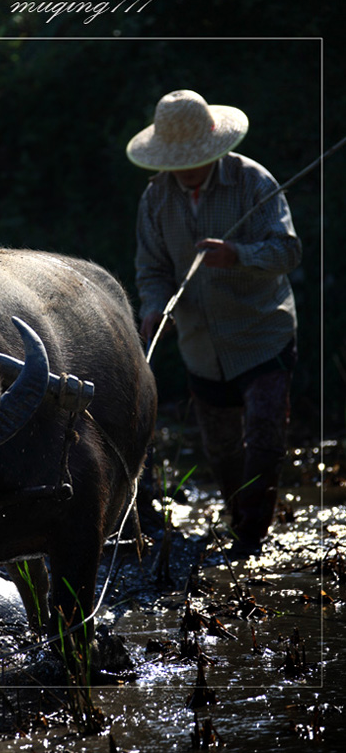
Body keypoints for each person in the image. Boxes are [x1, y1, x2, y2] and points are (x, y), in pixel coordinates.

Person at [127, 89, 302, 553]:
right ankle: (238, 521)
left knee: (264, 439)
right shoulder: (155, 199)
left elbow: (288, 251)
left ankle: (250, 540)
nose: (185, 168)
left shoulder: (253, 182)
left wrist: (237, 255)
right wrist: (152, 306)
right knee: (223, 453)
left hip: (264, 334)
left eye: (193, 158)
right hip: (201, 346)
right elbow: (153, 270)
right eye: (176, 160)